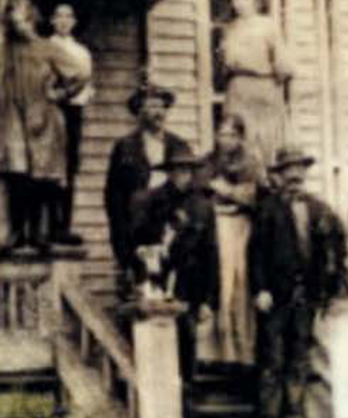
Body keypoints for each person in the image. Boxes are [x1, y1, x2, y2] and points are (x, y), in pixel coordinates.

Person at [249, 146, 348, 418]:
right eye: (288, 170)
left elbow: (336, 248)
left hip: (306, 296)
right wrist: (260, 289)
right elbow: (256, 252)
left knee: (299, 358)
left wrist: (329, 289)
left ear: (304, 173)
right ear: (279, 175)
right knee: (272, 360)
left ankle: (295, 412)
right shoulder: (268, 209)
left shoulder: (319, 209)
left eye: (298, 169)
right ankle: (269, 414)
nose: (294, 175)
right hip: (275, 297)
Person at [0, 0, 68, 255]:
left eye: (24, 19)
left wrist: (58, 95)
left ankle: (39, 233)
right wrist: (3, 31)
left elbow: (79, 74)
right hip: (13, 114)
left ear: (33, 19)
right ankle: (16, 233)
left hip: (41, 115)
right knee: (16, 174)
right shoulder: (6, 47)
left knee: (41, 175)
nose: (20, 25)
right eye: (15, 20)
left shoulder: (47, 47)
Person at [104, 83, 193, 298]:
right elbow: (114, 198)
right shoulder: (125, 147)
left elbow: (190, 189)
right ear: (139, 111)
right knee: (140, 294)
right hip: (138, 232)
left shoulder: (180, 146)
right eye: (152, 106)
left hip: (171, 229)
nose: (158, 112)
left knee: (174, 291)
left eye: (162, 106)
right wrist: (123, 244)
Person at [144, 149, 219, 381]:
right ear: (169, 173)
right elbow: (143, 240)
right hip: (159, 280)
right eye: (177, 170)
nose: (182, 176)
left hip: (191, 282)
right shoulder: (155, 201)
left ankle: (186, 396)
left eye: (187, 171)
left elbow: (211, 253)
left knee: (187, 339)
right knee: (159, 339)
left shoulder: (202, 206)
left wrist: (209, 300)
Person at [218, 0, 290, 176]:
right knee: (238, 138)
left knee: (265, 140)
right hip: (238, 89)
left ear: (256, 0)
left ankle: (266, 183)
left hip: (263, 87)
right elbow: (224, 65)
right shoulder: (229, 29)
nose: (239, 4)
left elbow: (283, 64)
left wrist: (271, 87)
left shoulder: (268, 25)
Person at [206, 113, 261, 367]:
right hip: (217, 224)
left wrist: (226, 191)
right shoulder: (210, 160)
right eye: (221, 134)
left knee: (240, 281)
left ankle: (243, 351)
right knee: (221, 282)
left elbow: (253, 196)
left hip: (240, 225)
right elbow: (204, 187)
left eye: (230, 134)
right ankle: (222, 351)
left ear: (240, 137)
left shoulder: (250, 161)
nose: (224, 140)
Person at [45, 3, 93, 246]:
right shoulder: (46, 48)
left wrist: (69, 94)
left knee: (69, 166)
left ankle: (65, 225)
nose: (63, 21)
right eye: (59, 16)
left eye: (68, 16)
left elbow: (85, 83)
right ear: (52, 20)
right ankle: (49, 226)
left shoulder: (81, 52)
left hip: (72, 110)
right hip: (49, 111)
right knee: (50, 167)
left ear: (74, 21)